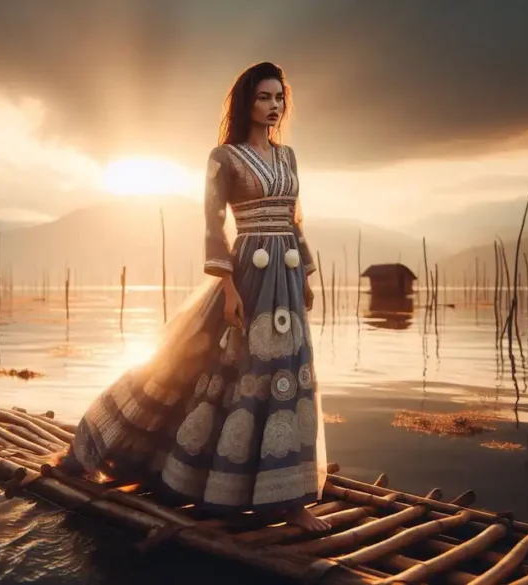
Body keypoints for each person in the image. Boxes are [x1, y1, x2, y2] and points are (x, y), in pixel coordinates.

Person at [53, 62, 330, 532]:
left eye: (279, 97)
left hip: (284, 275)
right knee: (220, 370)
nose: (274, 106)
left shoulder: (288, 158)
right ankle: (120, 449)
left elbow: (294, 219)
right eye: (264, 97)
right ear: (247, 102)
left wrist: (305, 272)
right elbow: (213, 226)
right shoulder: (224, 158)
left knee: (290, 377)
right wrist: (228, 287)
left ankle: (290, 500)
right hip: (248, 275)